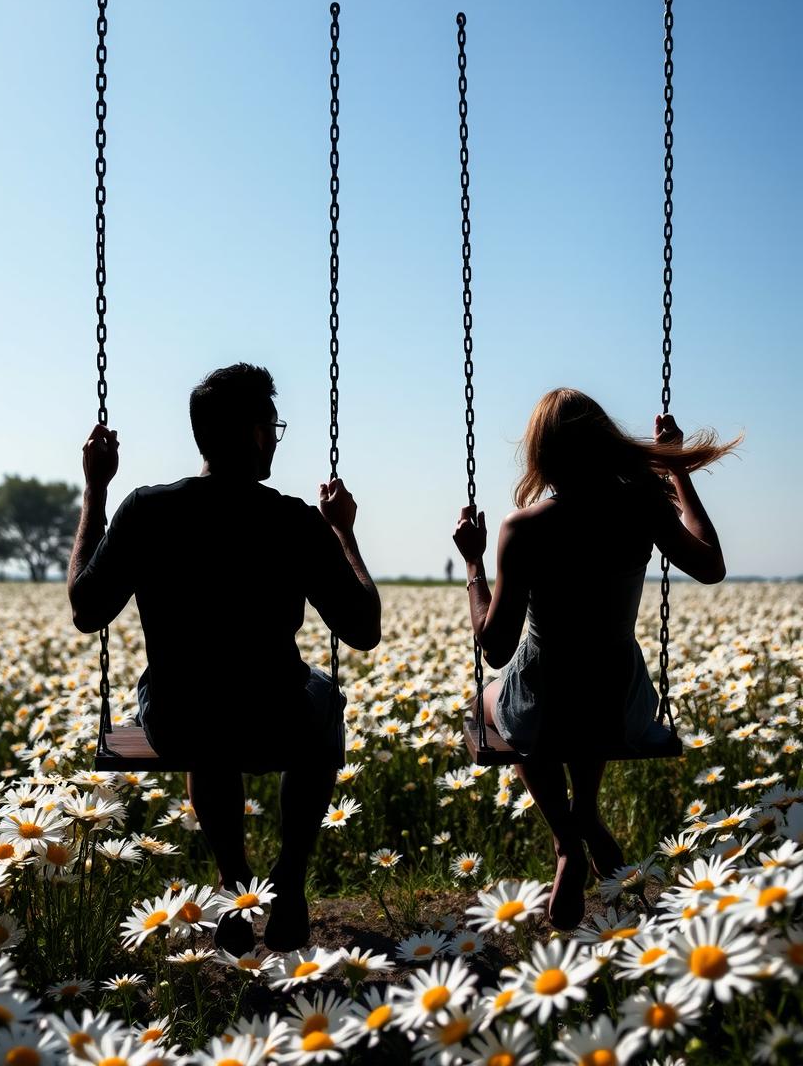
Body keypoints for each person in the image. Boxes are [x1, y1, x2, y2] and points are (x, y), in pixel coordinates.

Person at [68, 363, 381, 953]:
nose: (273, 439)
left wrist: (95, 490)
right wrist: (344, 533)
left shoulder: (146, 510)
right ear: (253, 432)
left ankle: (234, 878)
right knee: (325, 700)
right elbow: (363, 629)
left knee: (193, 705)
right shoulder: (292, 519)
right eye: (271, 426)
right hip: (275, 716)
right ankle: (288, 878)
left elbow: (87, 608)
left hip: (179, 718)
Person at [452, 388, 740, 930]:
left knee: (489, 706)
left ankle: (567, 840)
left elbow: (495, 648)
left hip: (546, 704)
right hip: (619, 704)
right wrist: (678, 473)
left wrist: (473, 563)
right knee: (586, 687)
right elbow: (711, 566)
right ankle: (586, 807)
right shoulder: (643, 505)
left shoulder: (526, 527)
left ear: (543, 453)